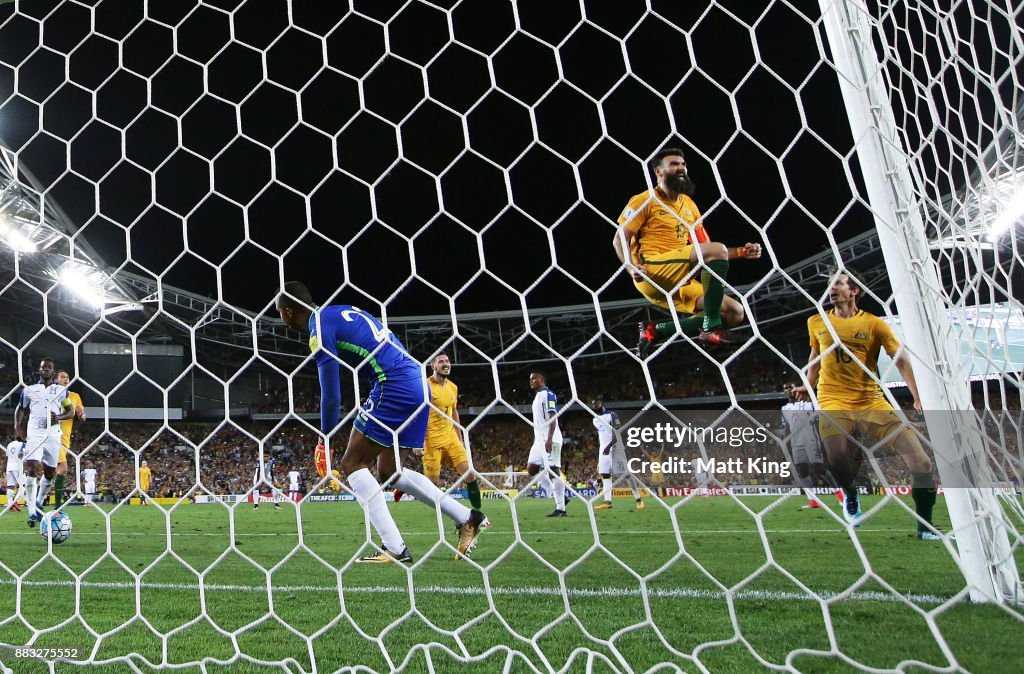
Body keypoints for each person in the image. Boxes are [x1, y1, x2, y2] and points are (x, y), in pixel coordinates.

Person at [275, 281, 485, 563]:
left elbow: (332, 395)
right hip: (417, 382)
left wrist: (323, 439)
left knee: (351, 464)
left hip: (393, 384)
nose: (281, 318)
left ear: (288, 311)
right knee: (390, 471)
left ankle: (394, 548)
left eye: (279, 313)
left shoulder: (319, 329)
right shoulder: (339, 311)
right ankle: (467, 517)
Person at [793, 269, 939, 539]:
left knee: (922, 462)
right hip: (832, 399)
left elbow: (901, 360)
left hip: (871, 401)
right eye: (829, 284)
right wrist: (807, 385)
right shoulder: (816, 321)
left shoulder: (875, 324)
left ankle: (925, 527)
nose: (831, 288)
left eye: (837, 283)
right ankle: (850, 494)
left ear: (854, 291)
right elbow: (815, 358)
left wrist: (917, 396)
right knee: (836, 455)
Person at [613, 147, 763, 356]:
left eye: (683, 164)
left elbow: (707, 249)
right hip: (651, 272)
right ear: (658, 171)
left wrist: (740, 252)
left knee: (735, 312)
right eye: (674, 164)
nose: (681, 168)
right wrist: (629, 267)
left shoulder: (689, 205)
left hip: (680, 280)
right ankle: (710, 328)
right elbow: (620, 237)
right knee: (715, 252)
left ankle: (655, 330)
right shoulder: (644, 200)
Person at [14, 358, 77, 527]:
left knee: (50, 473)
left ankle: (40, 501)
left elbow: (70, 411)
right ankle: (32, 511)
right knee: (32, 467)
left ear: (53, 372)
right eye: (44, 368)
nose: (47, 370)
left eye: (49, 368)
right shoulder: (30, 390)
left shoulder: (61, 391)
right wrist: (17, 427)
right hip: (34, 433)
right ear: (39, 370)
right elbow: (21, 408)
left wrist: (58, 417)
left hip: (53, 434)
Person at [417, 354, 484, 512]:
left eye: (447, 361)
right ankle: (407, 487)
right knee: (432, 485)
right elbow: (417, 414)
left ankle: (479, 514)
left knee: (469, 474)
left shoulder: (453, 387)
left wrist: (459, 438)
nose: (445, 364)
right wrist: (417, 441)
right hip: (430, 441)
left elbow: (454, 413)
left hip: (451, 438)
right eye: (441, 362)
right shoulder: (424, 386)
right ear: (433, 366)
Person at [781, 381, 838, 509]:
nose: (788, 390)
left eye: (791, 387)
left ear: (797, 388)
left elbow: (820, 420)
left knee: (819, 469)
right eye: (786, 388)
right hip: (796, 442)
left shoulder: (809, 404)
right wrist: (784, 442)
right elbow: (786, 427)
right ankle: (813, 500)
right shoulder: (784, 409)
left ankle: (839, 494)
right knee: (802, 471)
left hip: (811, 439)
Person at [524, 371, 568, 517]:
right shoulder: (537, 397)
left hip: (551, 438)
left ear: (542, 379)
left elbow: (552, 416)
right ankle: (553, 493)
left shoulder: (549, 394)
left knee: (554, 469)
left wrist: (549, 438)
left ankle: (561, 508)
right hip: (539, 439)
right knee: (531, 468)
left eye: (533, 378)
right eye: (530, 379)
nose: (531, 381)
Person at [590, 397, 644, 510]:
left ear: (602, 403)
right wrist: (603, 449)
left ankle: (639, 499)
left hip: (615, 449)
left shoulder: (612, 415)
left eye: (597, 403)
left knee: (626, 474)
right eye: (593, 405)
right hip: (603, 450)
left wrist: (609, 446)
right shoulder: (595, 419)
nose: (595, 406)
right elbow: (602, 436)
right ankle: (607, 502)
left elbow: (617, 433)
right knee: (605, 475)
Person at [54, 370, 86, 509]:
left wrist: (81, 415)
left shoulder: (74, 396)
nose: (66, 379)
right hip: (53, 436)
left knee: (52, 472)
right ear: (56, 380)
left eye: (67, 377)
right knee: (63, 469)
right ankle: (57, 507)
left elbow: (83, 416)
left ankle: (38, 502)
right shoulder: (51, 394)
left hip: (65, 439)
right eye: (63, 377)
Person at [4, 439, 24, 513]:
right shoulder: (23, 444)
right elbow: (23, 455)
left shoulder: (10, 444)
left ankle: (10, 506)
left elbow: (7, 456)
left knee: (10, 486)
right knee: (23, 486)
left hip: (9, 467)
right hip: (18, 467)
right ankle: (15, 501)